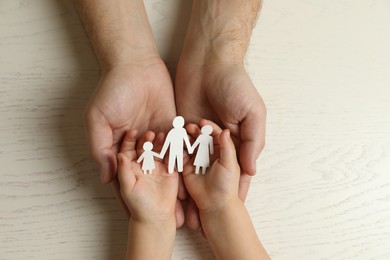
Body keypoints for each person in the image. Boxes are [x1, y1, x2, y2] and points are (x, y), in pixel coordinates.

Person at [74, 0, 267, 230]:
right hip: (178, 152)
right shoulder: (189, 135)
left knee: (188, 162)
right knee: (178, 161)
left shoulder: (196, 137)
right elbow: (181, 144)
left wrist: (217, 56)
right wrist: (128, 60)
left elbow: (187, 143)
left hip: (189, 152)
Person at [117, 123, 270, 260]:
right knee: (178, 162)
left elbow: (184, 144)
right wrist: (221, 208)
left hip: (191, 156)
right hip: (182, 159)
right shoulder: (176, 135)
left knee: (185, 162)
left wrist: (153, 221)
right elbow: (171, 144)